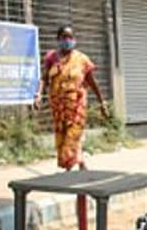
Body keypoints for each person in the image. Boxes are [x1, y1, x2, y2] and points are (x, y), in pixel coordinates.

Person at [36, 25, 107, 170]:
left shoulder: (82, 59)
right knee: (62, 133)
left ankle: (70, 165)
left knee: (73, 131)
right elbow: (44, 78)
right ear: (58, 39)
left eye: (70, 37)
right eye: (64, 37)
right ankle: (80, 162)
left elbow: (91, 82)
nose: (67, 40)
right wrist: (38, 94)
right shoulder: (51, 58)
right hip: (58, 106)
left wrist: (102, 102)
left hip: (76, 104)